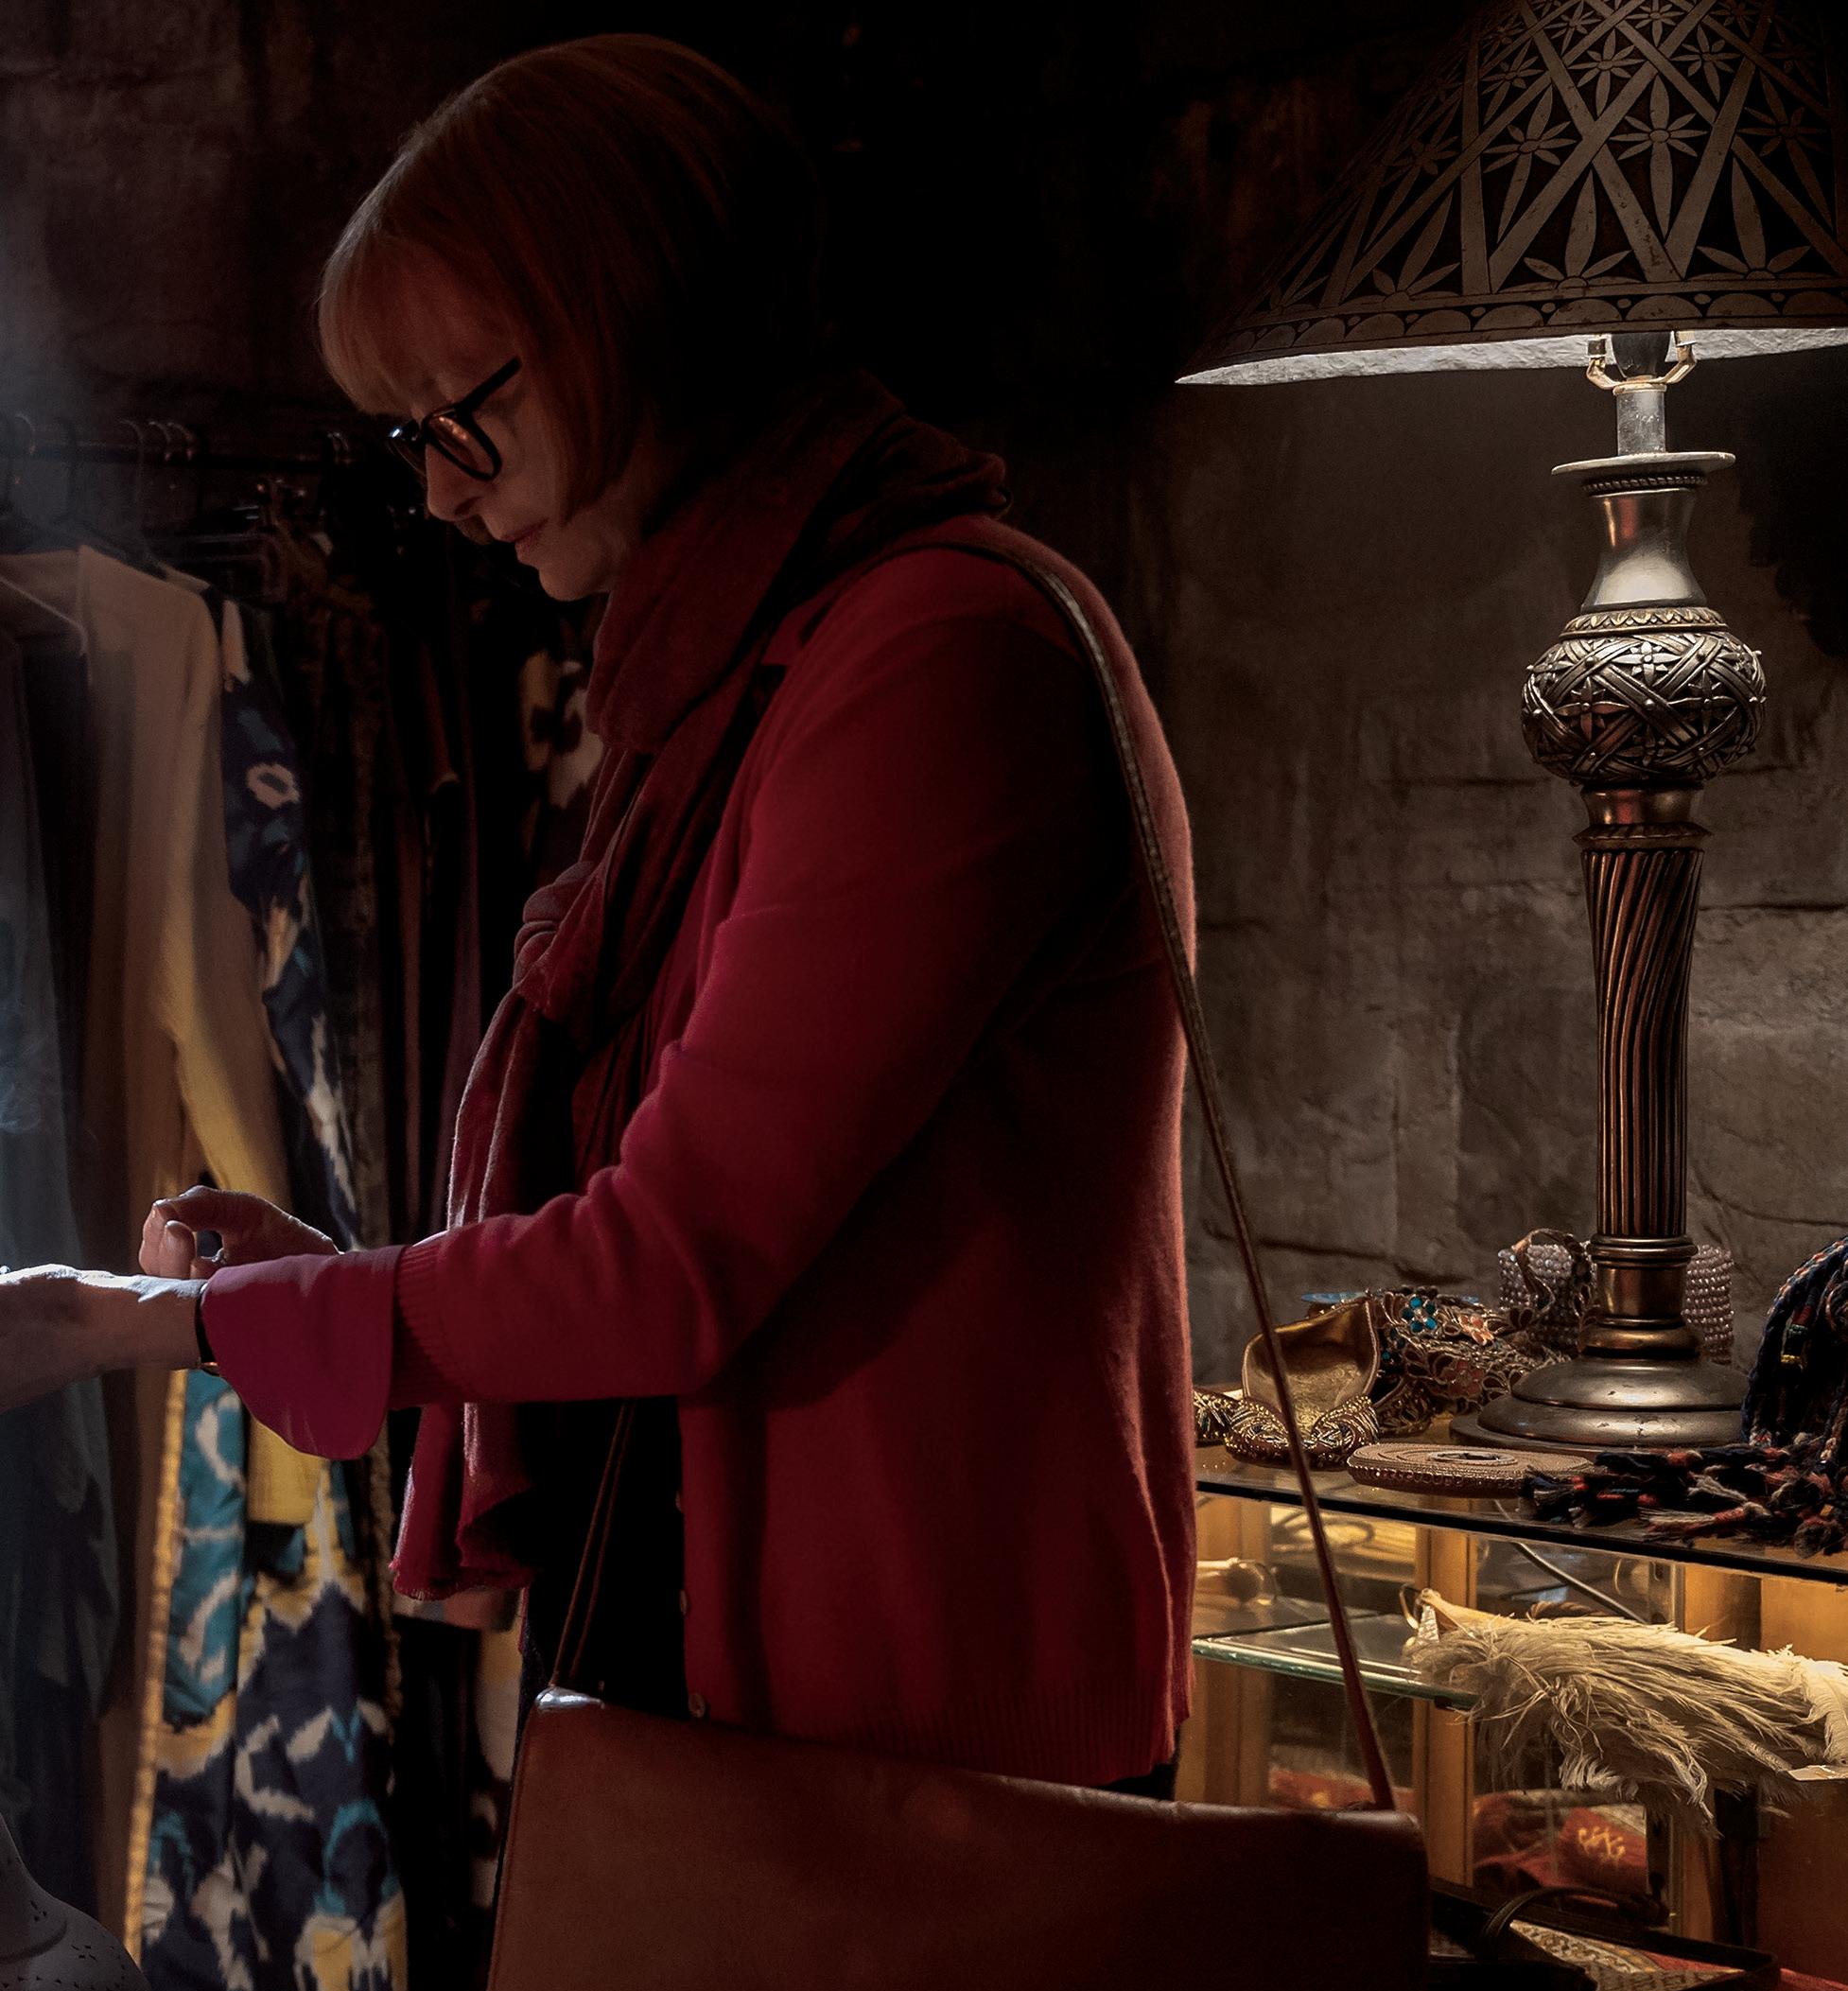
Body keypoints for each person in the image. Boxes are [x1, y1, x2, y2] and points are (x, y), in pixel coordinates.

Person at [0, 33, 1196, 1791]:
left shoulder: (934, 662)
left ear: (621, 329)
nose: (438, 488)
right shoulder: (724, 684)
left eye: (457, 415)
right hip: (756, 1690)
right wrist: (320, 1281)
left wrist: (123, 1322)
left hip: (915, 1737)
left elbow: (673, 1263)